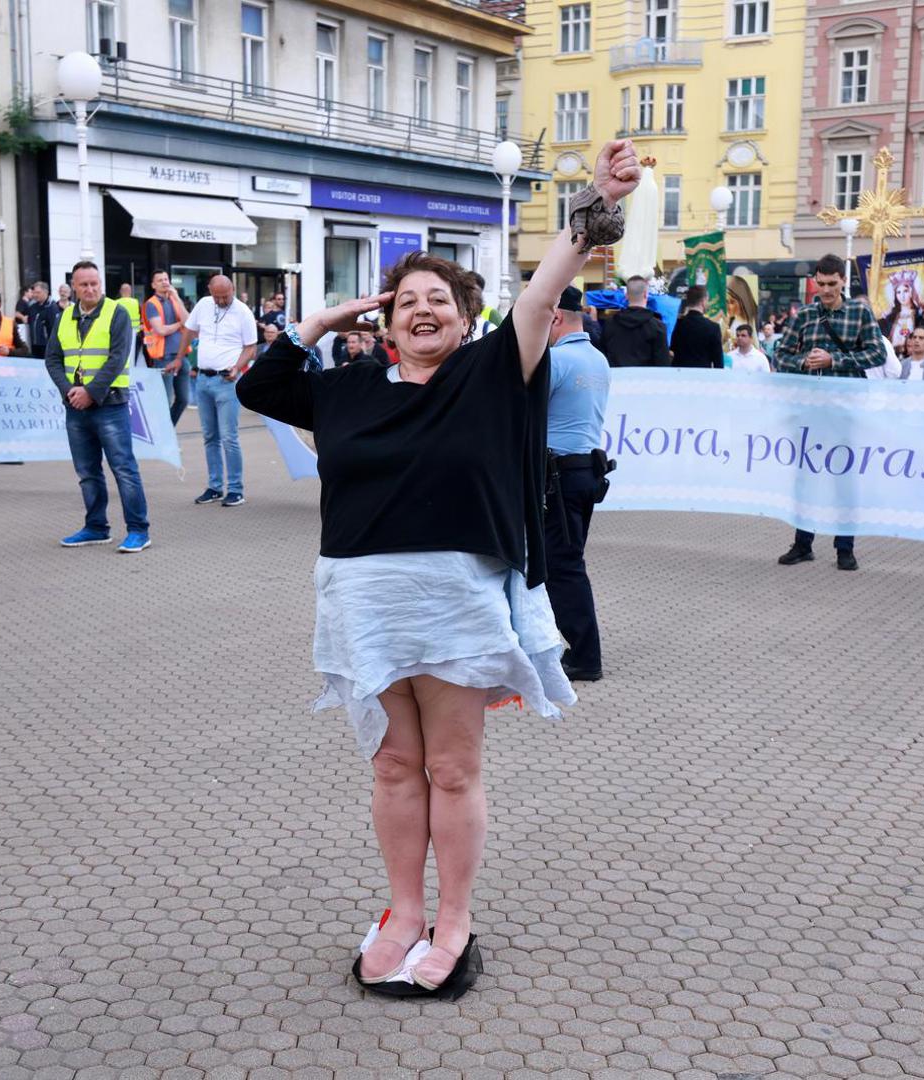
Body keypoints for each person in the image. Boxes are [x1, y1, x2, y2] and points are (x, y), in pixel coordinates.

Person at [236, 140, 635, 1000]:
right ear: (385, 322)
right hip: (365, 602)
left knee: (451, 769)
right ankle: (403, 912)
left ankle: (453, 919)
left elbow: (543, 292)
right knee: (390, 768)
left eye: (439, 301)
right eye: (407, 302)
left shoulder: (495, 373)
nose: (422, 312)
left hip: (454, 600)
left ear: (465, 318)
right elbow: (259, 388)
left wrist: (595, 204)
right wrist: (323, 321)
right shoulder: (346, 387)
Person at [773, 254, 883, 571]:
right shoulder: (805, 314)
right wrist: (804, 362)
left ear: (843, 281)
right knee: (806, 477)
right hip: (809, 410)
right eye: (820, 284)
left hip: (846, 410)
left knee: (843, 480)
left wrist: (833, 360)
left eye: (832, 284)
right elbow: (781, 356)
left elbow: (876, 353)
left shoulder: (859, 311)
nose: (826, 290)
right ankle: (803, 543)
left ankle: (845, 548)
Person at [44, 260, 150, 553]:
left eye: (94, 283)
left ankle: (139, 530)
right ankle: (96, 527)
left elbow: (117, 358)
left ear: (101, 284)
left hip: (110, 404)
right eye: (84, 284)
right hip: (75, 406)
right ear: (74, 287)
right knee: (87, 471)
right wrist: (69, 392)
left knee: (124, 469)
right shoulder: (65, 316)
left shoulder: (117, 312)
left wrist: (90, 392)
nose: (90, 289)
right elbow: (52, 358)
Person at [544, 285, 613, 682]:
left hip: (559, 477)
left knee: (563, 566)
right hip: (585, 473)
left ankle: (585, 656)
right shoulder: (597, 360)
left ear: (554, 317)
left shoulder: (556, 361)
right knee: (563, 561)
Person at [176, 274, 257, 507]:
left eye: (226, 296)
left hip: (226, 381)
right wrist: (179, 359)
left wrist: (237, 368)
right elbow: (189, 332)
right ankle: (214, 486)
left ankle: (235, 489)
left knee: (229, 437)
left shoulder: (243, 312)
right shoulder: (203, 305)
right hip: (202, 379)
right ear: (210, 291)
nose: (222, 301)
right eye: (217, 296)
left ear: (233, 289)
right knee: (209, 436)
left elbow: (250, 347)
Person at [144, 272, 190, 427]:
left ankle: (167, 432)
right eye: (160, 280)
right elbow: (161, 330)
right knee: (165, 400)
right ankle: (164, 436)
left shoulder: (174, 300)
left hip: (182, 356)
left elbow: (189, 322)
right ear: (153, 285)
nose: (164, 282)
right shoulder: (151, 304)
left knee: (183, 399)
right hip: (164, 358)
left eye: (166, 279)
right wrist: (179, 324)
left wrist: (177, 298)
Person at [601, 275, 669, 366]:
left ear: (626, 295)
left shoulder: (609, 324)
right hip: (646, 379)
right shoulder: (658, 327)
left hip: (617, 378)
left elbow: (602, 358)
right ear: (646, 294)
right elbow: (662, 363)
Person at [668, 285, 723, 368]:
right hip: (702, 377)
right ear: (703, 301)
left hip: (680, 376)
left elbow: (672, 347)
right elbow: (718, 362)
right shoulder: (713, 327)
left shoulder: (678, 324)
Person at [877, 268, 924, 350]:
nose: (902, 296)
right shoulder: (891, 316)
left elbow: (923, 333)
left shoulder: (919, 315)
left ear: (911, 292)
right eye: (898, 292)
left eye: (905, 291)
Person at [24, 281, 62, 360]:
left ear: (46, 292)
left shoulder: (52, 307)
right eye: (34, 293)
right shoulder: (32, 307)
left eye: (38, 292)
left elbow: (55, 329)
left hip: (47, 347)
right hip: (34, 346)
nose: (35, 295)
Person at [115, 283, 142, 362]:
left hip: (120, 334)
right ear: (130, 291)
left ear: (121, 291)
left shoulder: (115, 303)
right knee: (134, 357)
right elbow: (142, 316)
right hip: (136, 333)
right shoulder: (136, 302)